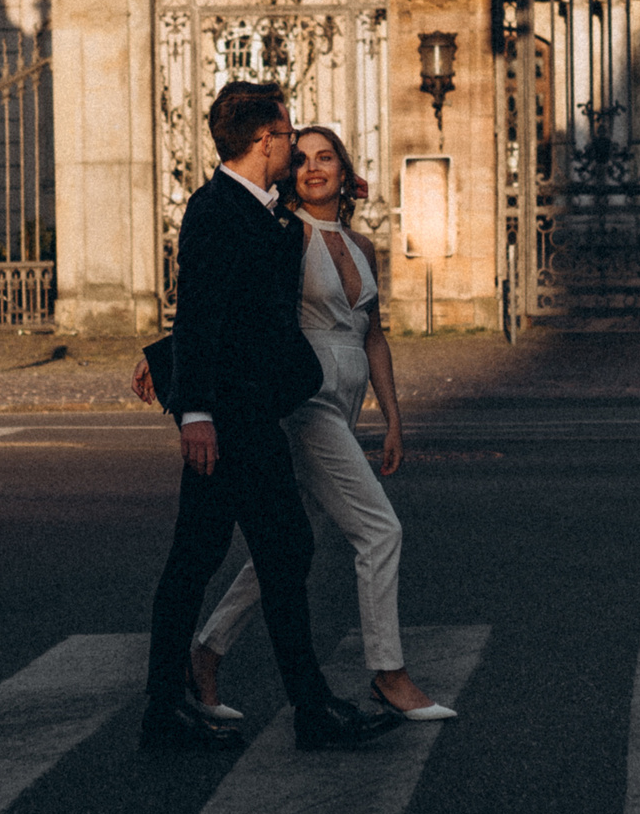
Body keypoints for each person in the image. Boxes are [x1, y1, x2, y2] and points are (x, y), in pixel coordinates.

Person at [163, 126, 457, 723]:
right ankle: (389, 674)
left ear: (345, 170)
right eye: (301, 160)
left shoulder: (363, 245)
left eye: (326, 157)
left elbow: (373, 335)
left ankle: (206, 653)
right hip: (305, 400)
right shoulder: (285, 235)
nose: (314, 168)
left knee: (285, 547)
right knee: (380, 531)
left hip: (348, 400)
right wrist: (165, 359)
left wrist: (392, 418)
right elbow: (233, 309)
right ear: (290, 175)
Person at [139, 81, 398, 754]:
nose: (293, 145)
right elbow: (201, 312)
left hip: (251, 413)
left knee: (225, 556)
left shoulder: (262, 211)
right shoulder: (215, 210)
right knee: (251, 553)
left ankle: (179, 708)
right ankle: (296, 709)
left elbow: (238, 310)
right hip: (229, 422)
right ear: (264, 140)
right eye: (287, 134)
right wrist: (195, 412)